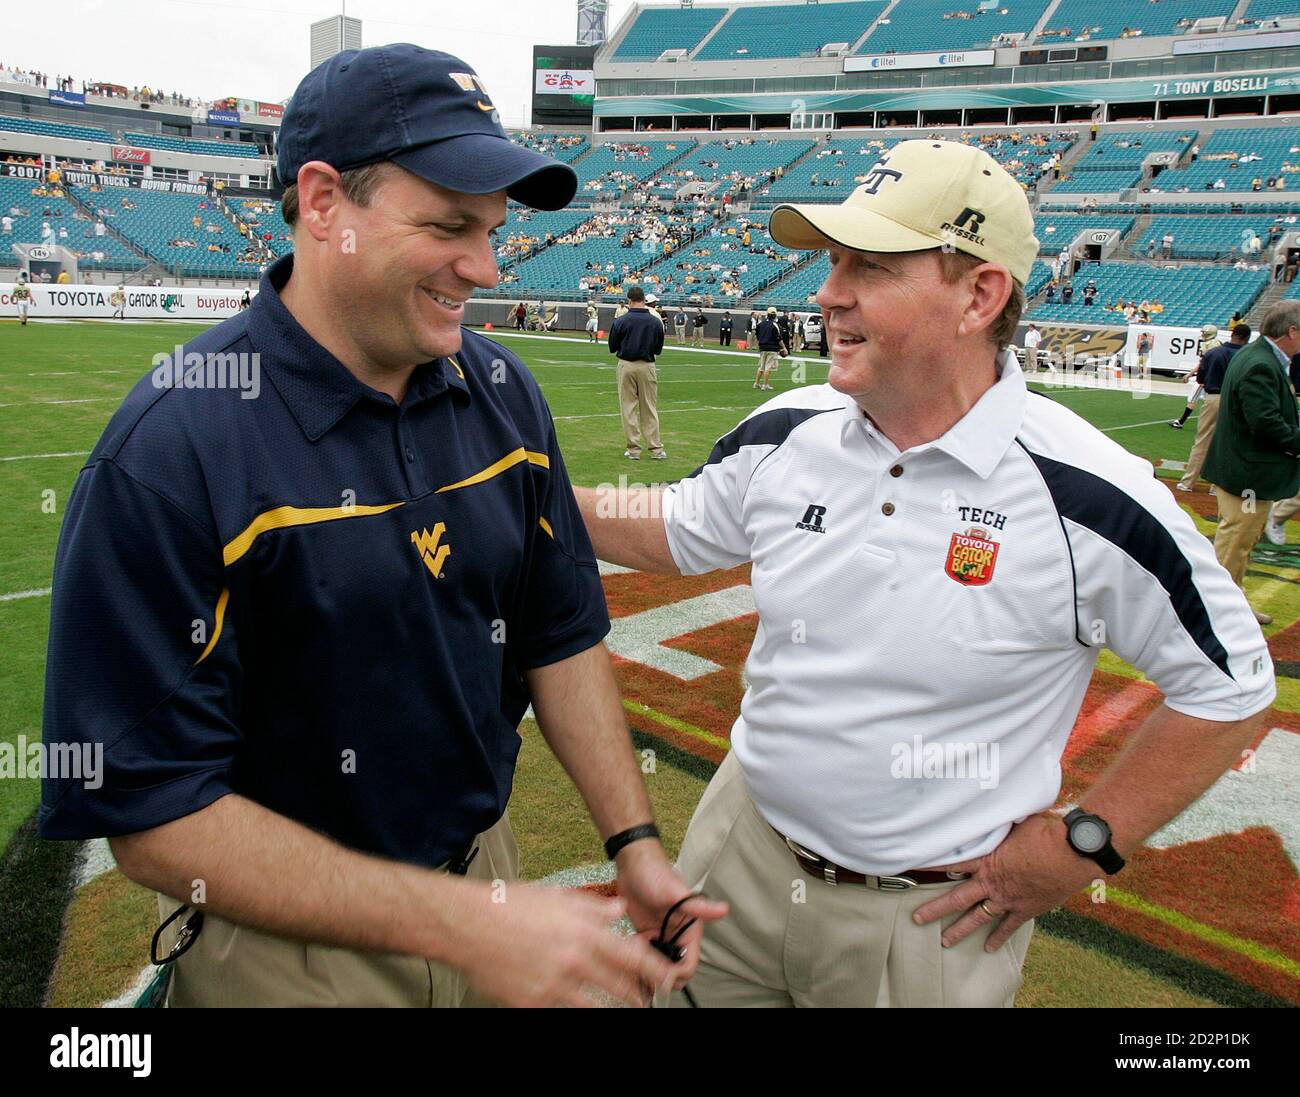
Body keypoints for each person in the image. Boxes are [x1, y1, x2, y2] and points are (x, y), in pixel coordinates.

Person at [40, 44, 716, 1009]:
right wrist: (461, 925)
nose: (483, 267)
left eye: (490, 230)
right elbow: (151, 811)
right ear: (323, 204)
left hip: (483, 874)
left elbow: (556, 633)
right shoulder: (170, 449)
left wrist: (633, 842)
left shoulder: (503, 393)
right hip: (287, 948)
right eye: (448, 225)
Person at [573, 138, 1274, 1009]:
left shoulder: (1092, 497)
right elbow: (678, 527)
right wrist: (522, 492)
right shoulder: (790, 426)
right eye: (831, 262)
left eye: (868, 265)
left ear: (980, 294)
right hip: (738, 852)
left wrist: (1084, 842)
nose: (827, 293)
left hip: (924, 923)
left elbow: (1232, 685)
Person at [1202, 301, 1300, 624]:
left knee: (1241, 543)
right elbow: (1265, 423)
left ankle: (1232, 601)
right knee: (1235, 543)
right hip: (1247, 474)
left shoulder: (1259, 356)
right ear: (1292, 331)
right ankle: (1214, 610)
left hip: (1246, 470)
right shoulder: (1261, 363)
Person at [1171, 326, 1247, 497]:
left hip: (1213, 397)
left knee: (1202, 440)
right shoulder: (1246, 355)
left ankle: (1187, 481)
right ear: (1246, 339)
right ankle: (1217, 485)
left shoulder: (1213, 353)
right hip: (1236, 400)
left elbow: (1201, 379)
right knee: (1228, 443)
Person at [608, 285, 668, 461]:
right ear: (644, 300)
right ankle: (656, 449)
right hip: (647, 365)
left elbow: (613, 347)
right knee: (649, 407)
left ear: (629, 301)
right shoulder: (655, 321)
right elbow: (658, 349)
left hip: (626, 364)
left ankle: (634, 449)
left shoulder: (621, 321)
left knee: (628, 408)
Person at [753, 305, 785, 390]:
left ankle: (756, 383)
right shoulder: (775, 325)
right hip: (772, 348)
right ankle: (765, 384)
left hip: (762, 347)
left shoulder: (760, 324)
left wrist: (760, 344)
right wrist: (784, 348)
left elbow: (757, 335)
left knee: (761, 367)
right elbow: (779, 338)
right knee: (768, 367)